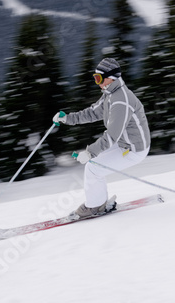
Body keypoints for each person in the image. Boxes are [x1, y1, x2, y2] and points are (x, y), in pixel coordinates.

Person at [53, 58, 151, 218]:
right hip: (124, 142)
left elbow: (112, 135)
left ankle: (95, 206)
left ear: (111, 78)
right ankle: (99, 201)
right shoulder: (110, 94)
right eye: (95, 78)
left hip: (134, 148)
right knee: (94, 165)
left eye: (99, 78)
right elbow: (92, 112)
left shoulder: (121, 101)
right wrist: (67, 119)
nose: (96, 82)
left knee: (93, 167)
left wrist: (90, 152)